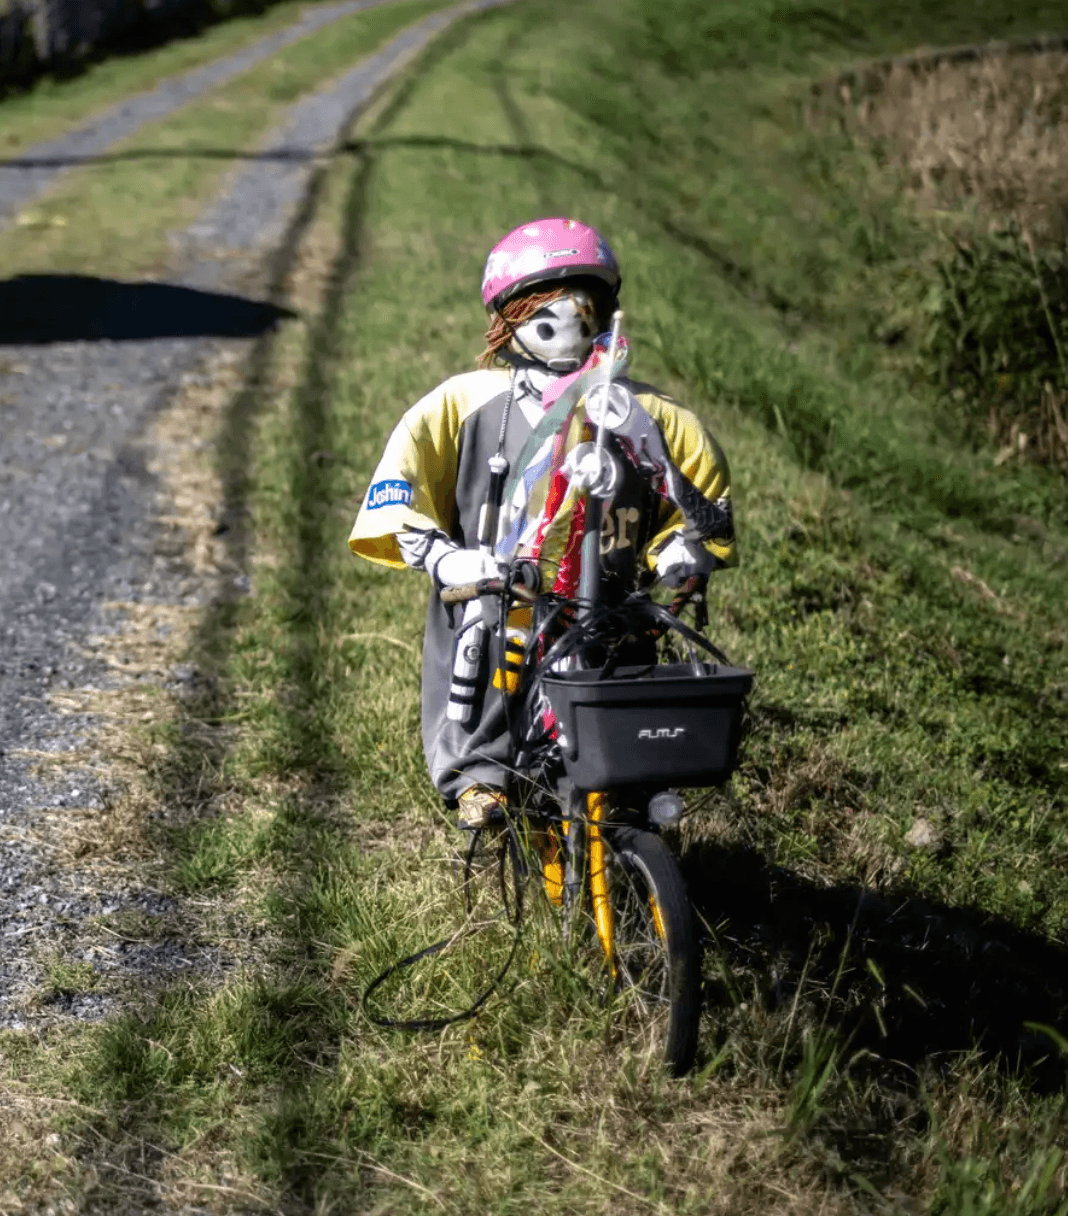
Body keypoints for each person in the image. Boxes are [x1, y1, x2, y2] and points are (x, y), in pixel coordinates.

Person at [349, 218, 737, 828]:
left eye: (584, 314)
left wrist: (680, 550)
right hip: (500, 593)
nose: (567, 333)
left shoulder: (652, 416)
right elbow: (398, 488)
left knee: (624, 681)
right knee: (483, 655)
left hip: (609, 600)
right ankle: (478, 773)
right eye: (544, 318)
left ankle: (630, 787)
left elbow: (702, 501)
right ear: (509, 322)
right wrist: (443, 555)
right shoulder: (463, 403)